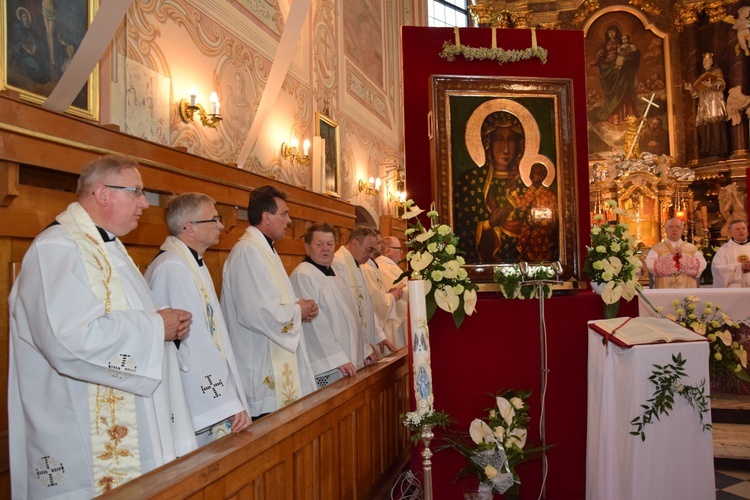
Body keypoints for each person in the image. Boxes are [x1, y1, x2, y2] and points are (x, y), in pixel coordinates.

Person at [8, 154, 196, 498]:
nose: (144, 203)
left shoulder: (110, 248)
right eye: (136, 192)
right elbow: (67, 339)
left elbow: (124, 313)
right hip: (81, 433)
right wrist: (156, 328)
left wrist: (166, 320)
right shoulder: (57, 248)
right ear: (102, 193)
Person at [145, 193, 251, 446]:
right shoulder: (173, 267)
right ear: (189, 228)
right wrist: (224, 402)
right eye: (214, 219)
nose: (221, 225)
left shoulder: (191, 263)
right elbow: (194, 342)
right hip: (192, 395)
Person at [221, 185, 318, 419]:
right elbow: (257, 311)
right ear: (266, 217)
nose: (289, 220)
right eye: (284, 214)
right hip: (260, 364)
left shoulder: (265, 250)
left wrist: (298, 304)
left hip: (270, 360)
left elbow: (272, 297)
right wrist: (298, 310)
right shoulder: (248, 251)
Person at [289, 222, 376, 387]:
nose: (326, 249)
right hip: (331, 365)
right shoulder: (303, 275)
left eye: (330, 244)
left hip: (347, 358)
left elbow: (352, 316)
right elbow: (314, 325)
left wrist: (364, 348)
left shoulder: (336, 274)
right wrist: (337, 358)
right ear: (307, 247)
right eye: (319, 244)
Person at [454, 111, 527, 263]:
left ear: (520, 145)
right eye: (498, 140)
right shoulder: (470, 181)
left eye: (512, 140)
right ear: (488, 142)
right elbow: (461, 230)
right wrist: (488, 224)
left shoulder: (525, 187)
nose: (505, 149)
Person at [332, 226, 396, 356]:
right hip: (352, 345)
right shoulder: (339, 264)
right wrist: (364, 346)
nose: (372, 255)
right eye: (369, 249)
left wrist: (379, 336)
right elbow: (349, 311)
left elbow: (366, 305)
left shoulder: (356, 263)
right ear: (355, 243)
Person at [362, 231, 404, 354]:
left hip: (383, 323)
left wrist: (388, 294)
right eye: (378, 243)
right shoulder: (367, 268)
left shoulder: (374, 266)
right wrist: (391, 296)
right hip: (379, 327)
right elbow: (375, 303)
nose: (380, 247)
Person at [590, 24, 641, 125]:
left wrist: (628, 57)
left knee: (624, 91)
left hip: (623, 71)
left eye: (613, 31)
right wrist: (593, 62)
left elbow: (635, 53)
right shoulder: (605, 45)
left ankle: (628, 115)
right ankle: (615, 117)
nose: (611, 34)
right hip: (609, 69)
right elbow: (599, 56)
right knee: (614, 93)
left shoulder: (623, 43)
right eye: (609, 32)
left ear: (617, 32)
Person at [684, 52, 728, 158]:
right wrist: (691, 89)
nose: (705, 63)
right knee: (705, 128)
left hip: (714, 102)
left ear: (712, 62)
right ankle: (707, 149)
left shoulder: (717, 71)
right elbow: (696, 94)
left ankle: (717, 149)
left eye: (707, 61)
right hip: (704, 104)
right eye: (704, 61)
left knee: (715, 126)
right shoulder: (701, 76)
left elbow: (722, 84)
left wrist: (711, 84)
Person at [646, 218, 706, 288]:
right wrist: (671, 257)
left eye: (678, 227)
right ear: (665, 230)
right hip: (664, 292)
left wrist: (682, 258)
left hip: (687, 292)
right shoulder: (656, 248)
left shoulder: (691, 249)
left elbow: (702, 265)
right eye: (671, 227)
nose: (674, 229)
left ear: (682, 230)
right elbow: (650, 265)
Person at [518, 162, 559, 262]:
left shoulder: (549, 195)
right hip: (529, 226)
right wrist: (514, 193)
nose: (532, 175)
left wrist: (544, 222)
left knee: (538, 238)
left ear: (542, 176)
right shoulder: (530, 191)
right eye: (532, 172)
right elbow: (522, 206)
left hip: (544, 228)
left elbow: (553, 216)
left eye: (536, 173)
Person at [375, 236, 409, 349]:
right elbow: (400, 292)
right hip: (392, 323)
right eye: (399, 249)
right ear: (388, 250)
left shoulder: (382, 266)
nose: (401, 253)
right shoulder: (386, 268)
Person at [712, 220, 750, 288]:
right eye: (737, 229)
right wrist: (739, 267)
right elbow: (717, 269)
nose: (741, 231)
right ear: (731, 233)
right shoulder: (724, 250)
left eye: (743, 228)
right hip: (734, 288)